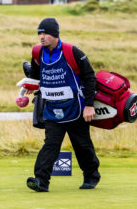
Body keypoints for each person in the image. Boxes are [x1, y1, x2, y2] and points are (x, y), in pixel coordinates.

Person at [25, 17, 100, 192]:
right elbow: (37, 76)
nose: (42, 37)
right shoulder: (38, 53)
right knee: (50, 145)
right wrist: (30, 84)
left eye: (45, 33)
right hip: (52, 109)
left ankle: (91, 176)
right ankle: (41, 181)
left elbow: (90, 77)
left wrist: (89, 105)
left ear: (55, 35)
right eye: (40, 34)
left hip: (76, 109)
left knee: (82, 145)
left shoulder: (72, 52)